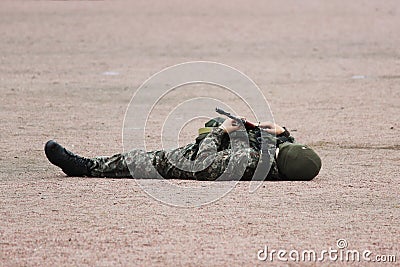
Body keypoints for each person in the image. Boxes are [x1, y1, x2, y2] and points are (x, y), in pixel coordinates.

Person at [44, 117, 322, 181]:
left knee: (135, 160)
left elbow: (204, 161)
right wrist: (282, 133)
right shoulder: (279, 164)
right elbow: (293, 153)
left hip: (185, 163)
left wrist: (222, 131)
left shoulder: (248, 160)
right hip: (205, 154)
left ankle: (83, 167)